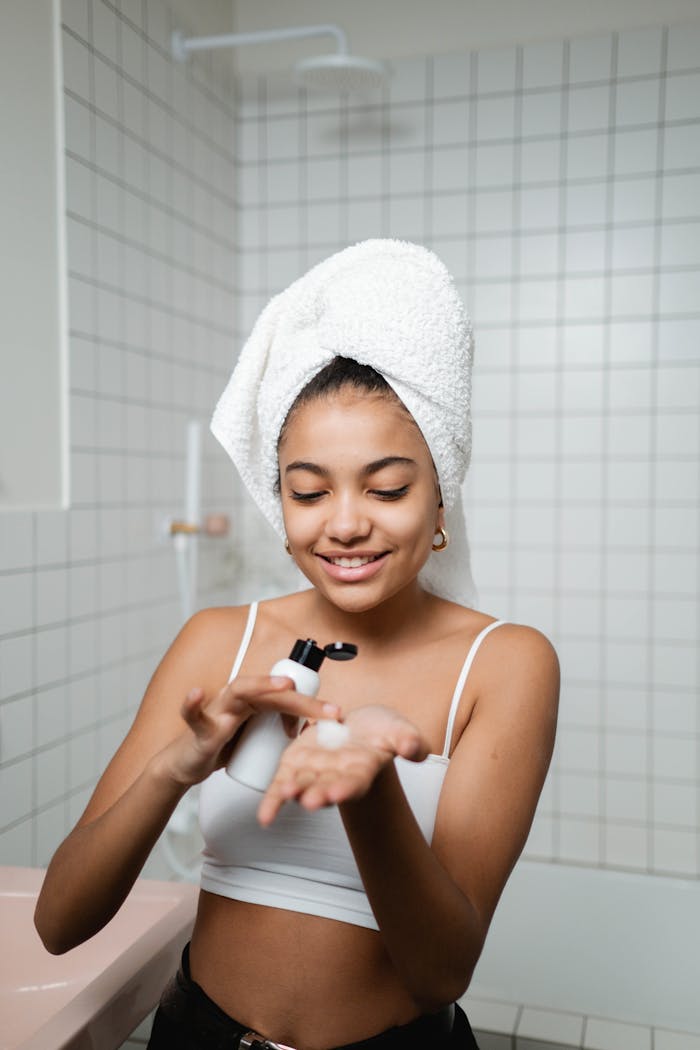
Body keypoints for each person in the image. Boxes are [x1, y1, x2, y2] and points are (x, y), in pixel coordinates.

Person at [35, 240, 559, 1050]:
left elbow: (439, 974)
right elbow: (59, 920)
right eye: (308, 491)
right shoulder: (220, 640)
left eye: (386, 488)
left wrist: (368, 790)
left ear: (441, 492)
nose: (344, 523)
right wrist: (179, 766)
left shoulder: (505, 664)